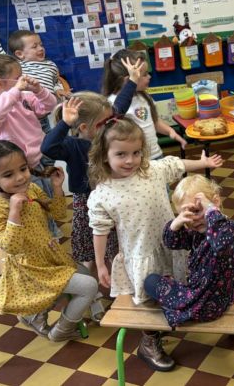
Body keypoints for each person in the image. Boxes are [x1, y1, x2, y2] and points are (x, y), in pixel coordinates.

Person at [87, 116, 222, 371]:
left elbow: (176, 164)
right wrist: (100, 264)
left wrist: (201, 163)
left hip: (171, 246)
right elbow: (99, 230)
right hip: (141, 254)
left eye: (136, 152)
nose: (130, 160)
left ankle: (171, 319)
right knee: (148, 301)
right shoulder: (103, 193)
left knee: (173, 285)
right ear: (104, 155)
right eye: (121, 154)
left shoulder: (151, 170)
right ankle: (149, 342)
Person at [0, 140, 98, 342]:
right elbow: (11, 246)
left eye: (23, 169)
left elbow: (58, 214)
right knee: (89, 286)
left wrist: (57, 188)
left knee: (85, 273)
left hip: (50, 258)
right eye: (8, 175)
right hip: (30, 271)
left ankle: (36, 314)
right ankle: (61, 330)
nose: (19, 178)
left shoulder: (32, 189)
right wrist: (14, 212)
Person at [40, 94, 117, 322]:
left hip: (111, 201)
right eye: (106, 123)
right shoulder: (73, 145)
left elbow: (119, 108)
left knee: (112, 249)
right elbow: (48, 146)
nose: (112, 125)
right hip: (86, 203)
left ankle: (117, 291)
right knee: (88, 254)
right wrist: (64, 123)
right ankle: (91, 298)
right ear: (85, 127)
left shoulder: (108, 138)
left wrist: (131, 81)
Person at [0, 53, 61, 239]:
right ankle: (44, 236)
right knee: (32, 203)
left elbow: (50, 106)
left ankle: (50, 231)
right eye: (18, 77)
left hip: (39, 158)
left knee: (45, 198)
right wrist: (15, 91)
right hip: (20, 166)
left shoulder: (24, 97)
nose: (23, 79)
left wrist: (39, 90)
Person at [144, 175, 234, 327]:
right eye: (186, 214)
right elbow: (172, 243)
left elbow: (222, 245)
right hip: (220, 297)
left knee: (151, 281)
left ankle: (159, 327)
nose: (193, 219)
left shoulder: (226, 228)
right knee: (160, 279)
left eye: (196, 210)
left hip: (204, 305)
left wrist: (210, 210)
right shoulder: (199, 231)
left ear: (215, 202)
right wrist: (176, 224)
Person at [0, 9, 64, 132]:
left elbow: (55, 81)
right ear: (20, 54)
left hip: (48, 110)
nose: (40, 48)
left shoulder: (51, 65)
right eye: (34, 46)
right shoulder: (18, 66)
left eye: (41, 45)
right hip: (27, 110)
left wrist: (59, 89)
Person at [103, 50, 187, 160]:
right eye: (144, 74)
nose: (149, 77)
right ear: (129, 80)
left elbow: (154, 121)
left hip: (156, 155)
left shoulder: (143, 96)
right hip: (136, 162)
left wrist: (171, 132)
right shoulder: (113, 105)